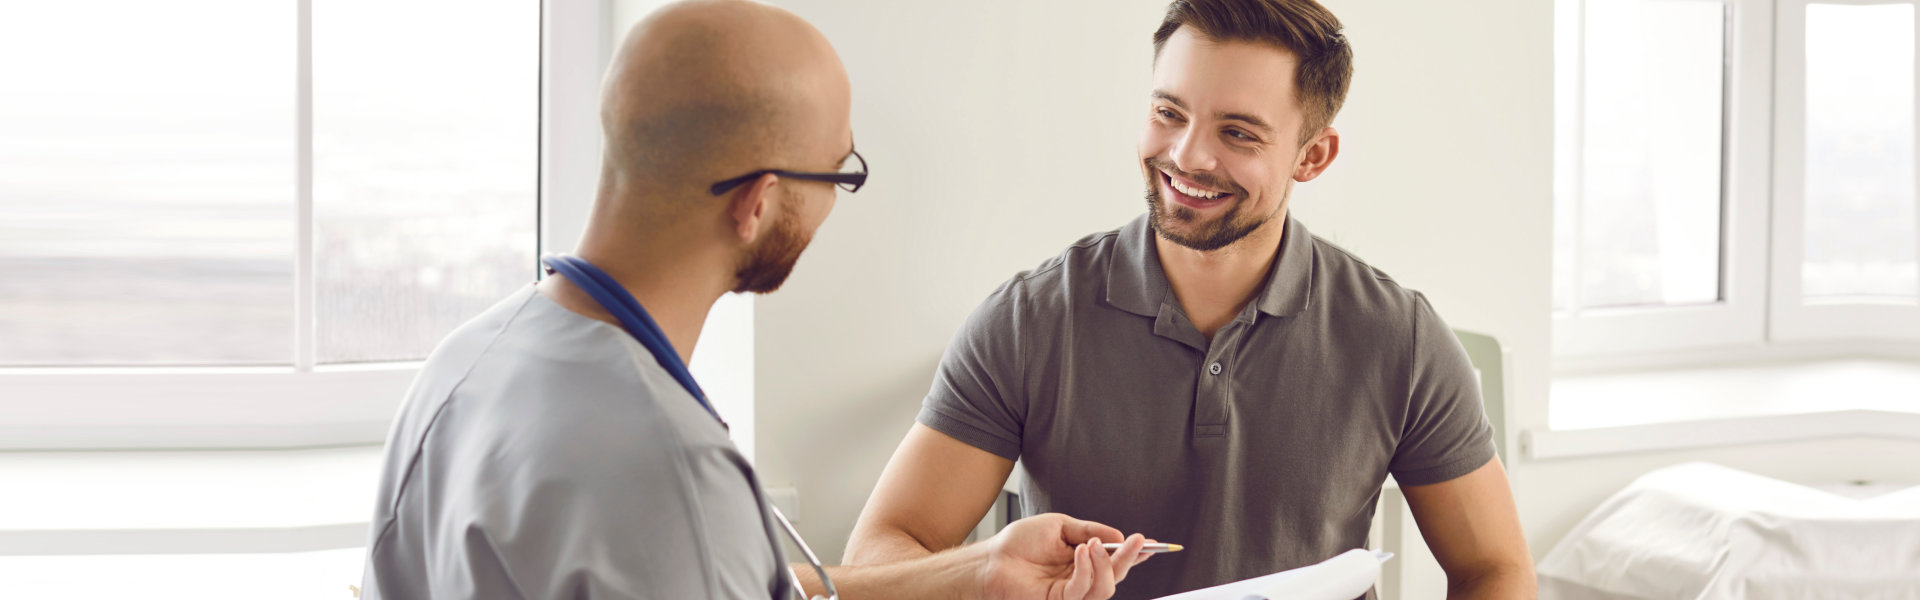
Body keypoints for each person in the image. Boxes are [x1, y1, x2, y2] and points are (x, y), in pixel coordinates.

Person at [357, 1, 1155, 598]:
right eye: (840, 175)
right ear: (756, 202)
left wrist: (981, 568)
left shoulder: (464, 364)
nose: (840, 200)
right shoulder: (666, 475)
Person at [842, 0, 1536, 598]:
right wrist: (985, 573)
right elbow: (879, 555)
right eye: (1168, 112)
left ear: (1311, 157)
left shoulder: (1400, 338)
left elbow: (1495, 567)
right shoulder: (1028, 322)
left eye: (1237, 132)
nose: (1188, 155)